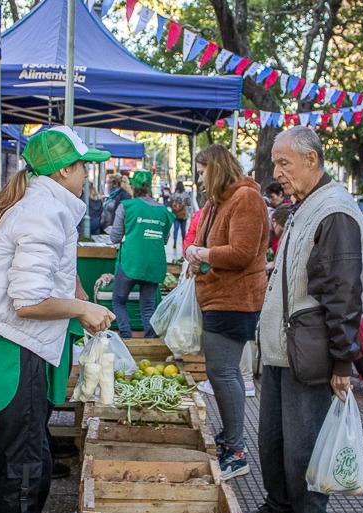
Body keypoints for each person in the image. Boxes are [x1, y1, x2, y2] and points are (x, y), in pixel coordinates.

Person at [0, 126, 116, 513]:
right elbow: (28, 301)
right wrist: (81, 312)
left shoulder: (46, 204)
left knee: (32, 463)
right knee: (24, 473)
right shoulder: (43, 211)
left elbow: (51, 273)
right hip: (13, 354)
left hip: (16, 349)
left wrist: (81, 298)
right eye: (84, 166)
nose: (88, 174)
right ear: (65, 170)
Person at [248, 127, 363, 513]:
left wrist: (343, 362)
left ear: (312, 160)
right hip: (284, 349)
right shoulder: (304, 206)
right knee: (273, 442)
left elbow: (343, 293)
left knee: (304, 447)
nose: (277, 173)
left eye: (284, 164)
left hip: (309, 354)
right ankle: (280, 510)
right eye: (276, 164)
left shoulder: (334, 211)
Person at [184, 144, 268, 481]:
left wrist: (201, 253)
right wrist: (196, 256)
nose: (200, 179)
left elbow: (242, 253)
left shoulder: (246, 199)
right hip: (216, 295)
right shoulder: (217, 202)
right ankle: (230, 438)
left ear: (216, 169)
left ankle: (236, 449)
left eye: (202, 172)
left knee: (224, 372)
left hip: (235, 300)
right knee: (220, 372)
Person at [108, 171, 173, 339]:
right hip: (154, 263)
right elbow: (164, 240)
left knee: (119, 300)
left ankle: (127, 337)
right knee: (148, 306)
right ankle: (150, 341)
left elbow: (114, 237)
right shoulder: (164, 211)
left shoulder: (126, 206)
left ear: (133, 186)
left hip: (131, 262)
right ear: (150, 187)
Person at [169, 182, 192, 248]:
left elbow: (170, 203)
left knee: (175, 229)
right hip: (184, 215)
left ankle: (175, 241)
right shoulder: (186, 195)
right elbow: (189, 203)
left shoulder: (174, 195)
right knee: (183, 229)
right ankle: (184, 242)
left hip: (176, 215)